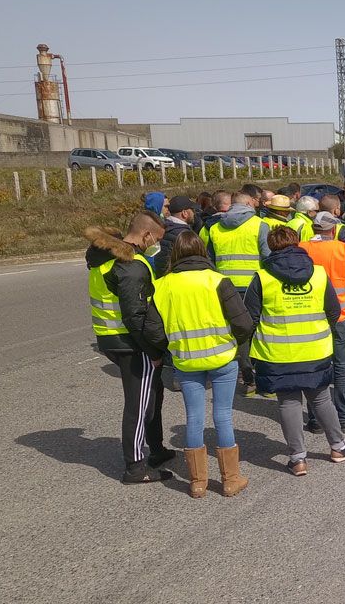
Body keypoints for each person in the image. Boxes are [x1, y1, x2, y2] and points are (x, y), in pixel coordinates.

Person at [245, 226, 345, 475]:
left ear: (271, 246)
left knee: (288, 402)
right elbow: (334, 311)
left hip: (277, 352)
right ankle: (338, 446)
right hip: (315, 348)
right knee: (320, 398)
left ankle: (298, 458)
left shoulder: (262, 277)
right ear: (297, 243)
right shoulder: (318, 274)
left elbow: (250, 318)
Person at [142, 231, 253, 498]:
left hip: (186, 360)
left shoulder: (163, 285)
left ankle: (197, 482)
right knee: (223, 415)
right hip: (223, 357)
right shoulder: (218, 281)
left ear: (175, 254)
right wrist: (235, 345)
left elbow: (153, 331)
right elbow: (244, 323)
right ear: (203, 251)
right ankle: (230, 479)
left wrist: (170, 348)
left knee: (194, 417)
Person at [84, 211, 173, 483]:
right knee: (139, 404)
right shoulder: (130, 265)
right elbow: (136, 316)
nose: (156, 245)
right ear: (145, 235)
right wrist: (154, 350)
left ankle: (156, 448)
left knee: (153, 394)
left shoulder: (105, 258)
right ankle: (135, 466)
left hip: (111, 337)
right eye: (156, 239)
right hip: (132, 342)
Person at [299, 212, 345, 431]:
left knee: (315, 367)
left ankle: (315, 419)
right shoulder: (343, 250)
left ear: (314, 229)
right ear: (333, 229)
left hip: (310, 316)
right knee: (342, 367)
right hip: (341, 315)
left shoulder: (301, 249)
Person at [206, 192, 270, 394]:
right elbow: (267, 257)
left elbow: (210, 260)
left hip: (224, 286)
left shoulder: (215, 228)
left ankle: (246, 377)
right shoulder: (259, 225)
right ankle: (264, 380)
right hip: (254, 285)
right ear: (250, 203)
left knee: (237, 333)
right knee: (260, 330)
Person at [154, 195, 200, 278]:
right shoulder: (184, 234)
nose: (194, 213)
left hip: (164, 279)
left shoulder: (162, 229)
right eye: (192, 210)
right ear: (184, 213)